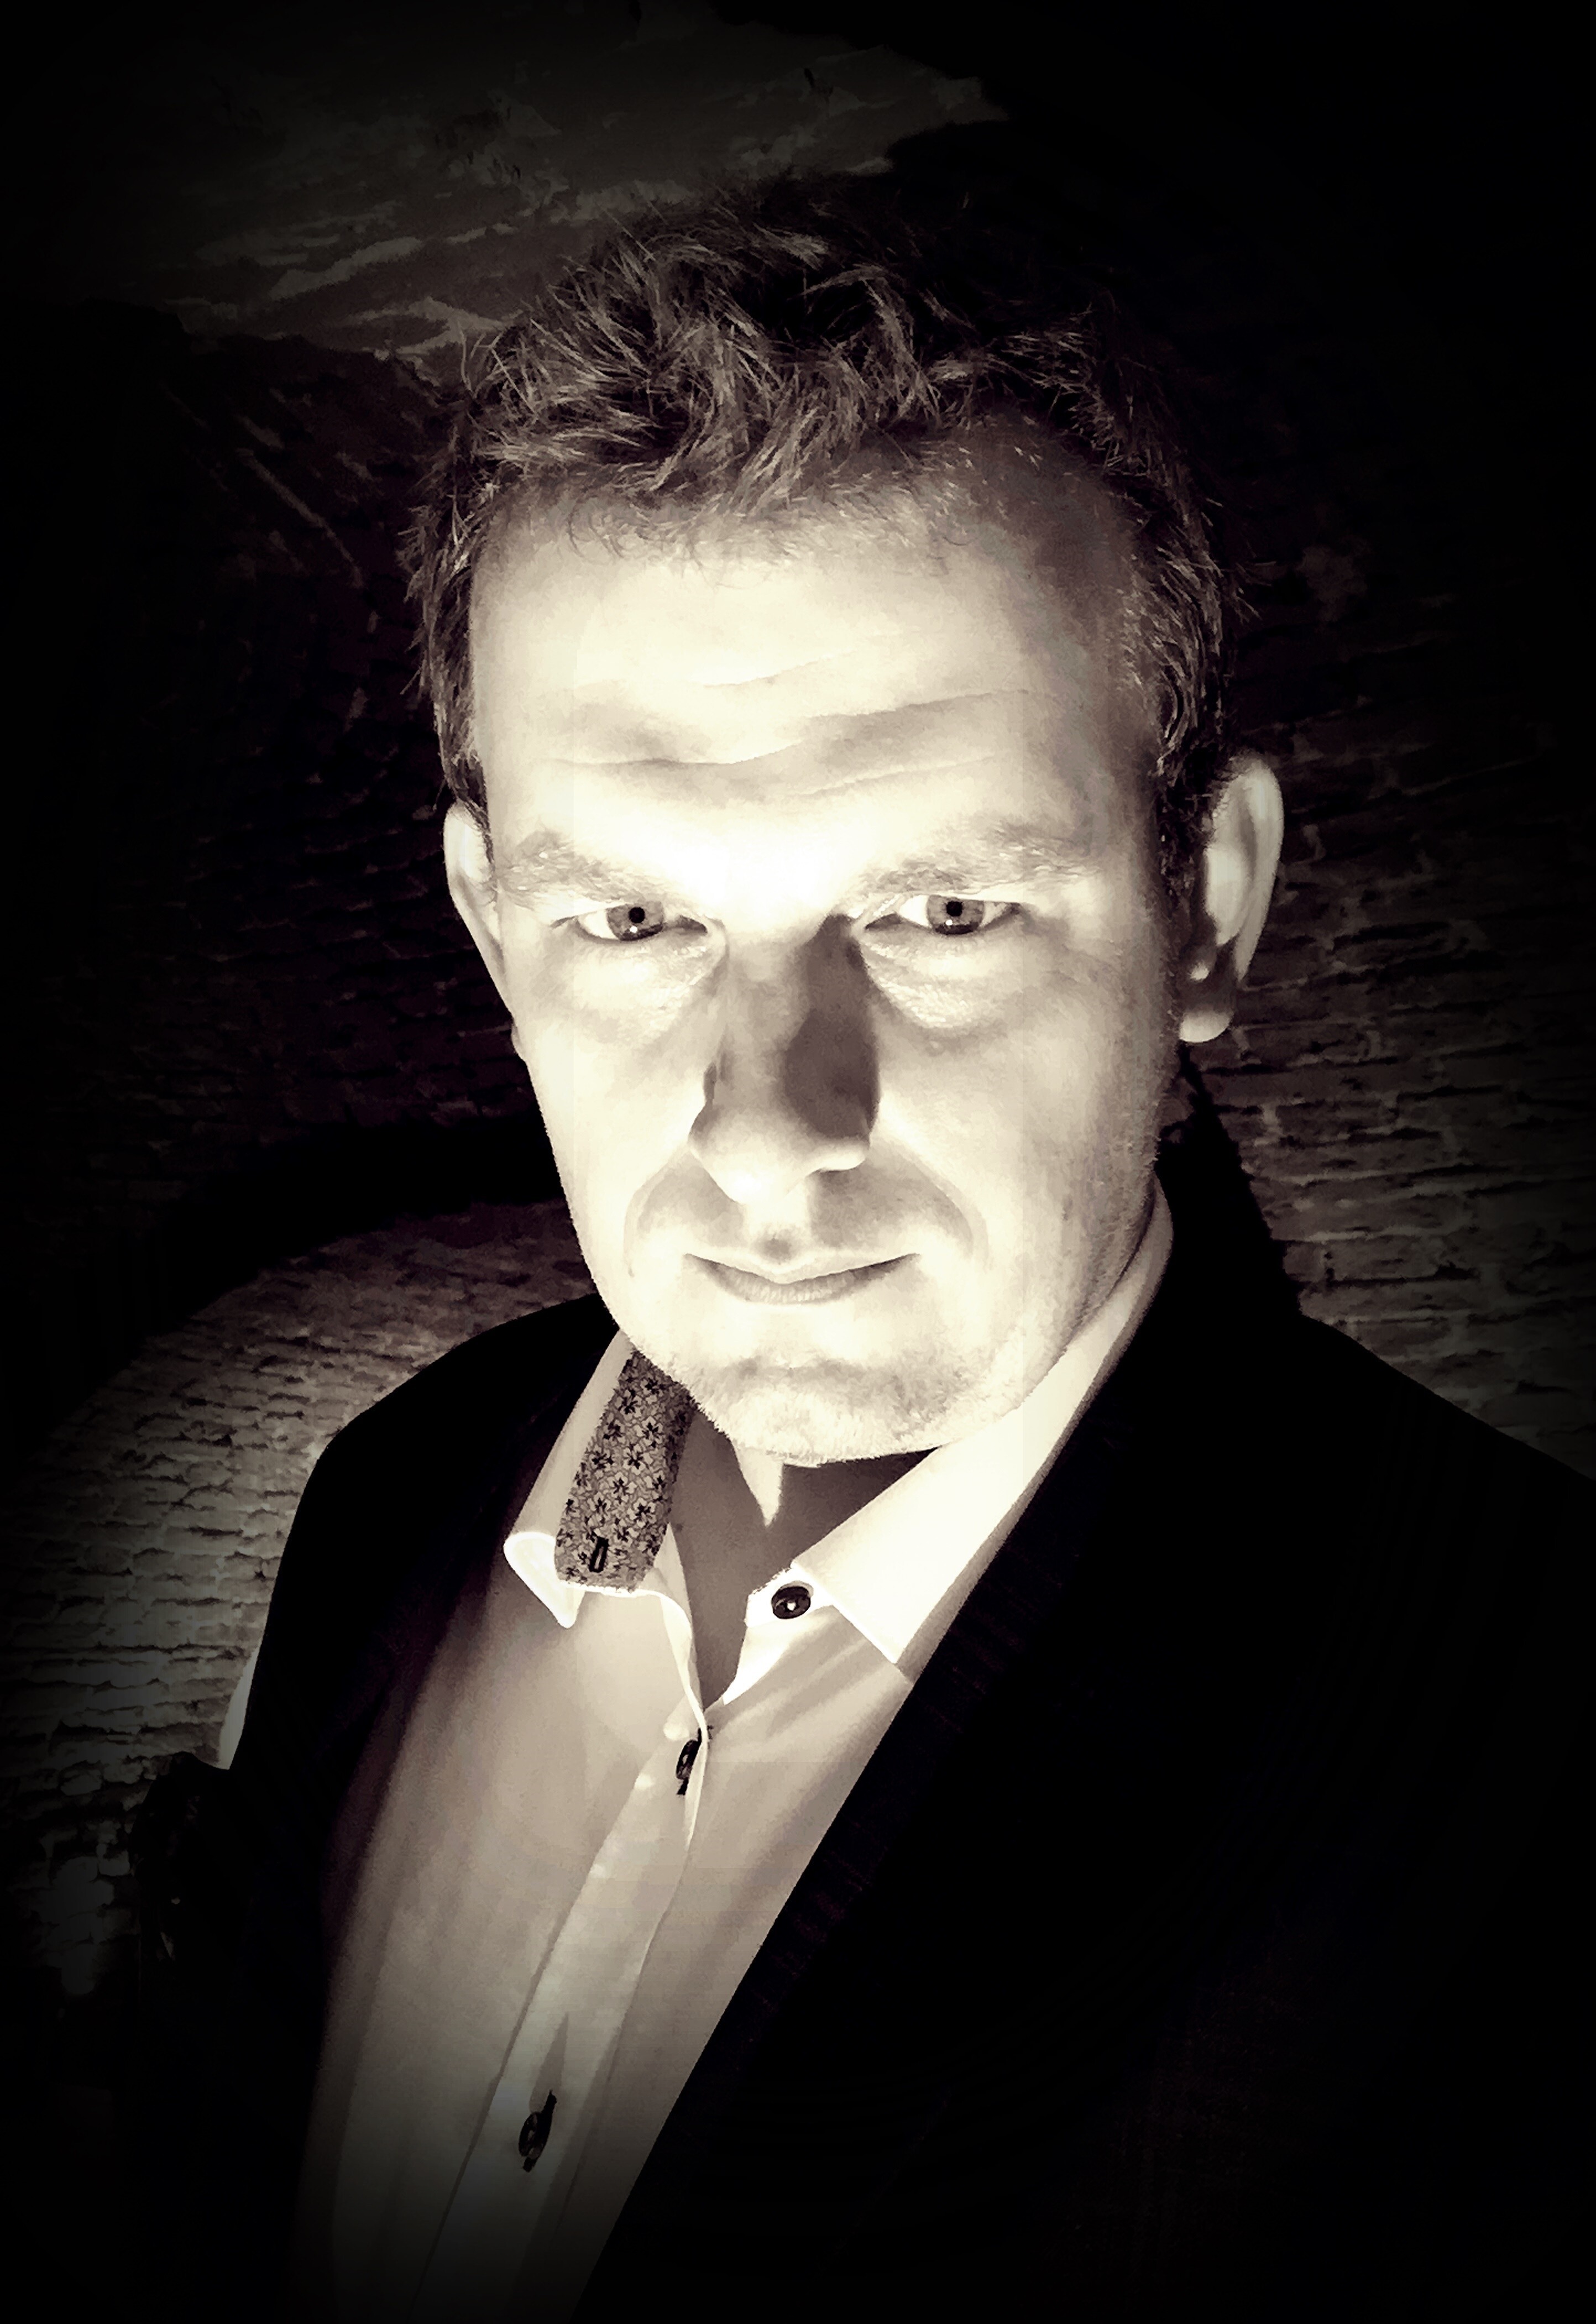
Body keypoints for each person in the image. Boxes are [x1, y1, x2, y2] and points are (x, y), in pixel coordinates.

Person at [132, 169, 1590, 2323]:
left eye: (940, 909)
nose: (767, 1129)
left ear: (1205, 906)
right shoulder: (385, 1498)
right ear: (493, 932)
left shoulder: (1534, 1752)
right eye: (633, 917)